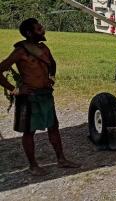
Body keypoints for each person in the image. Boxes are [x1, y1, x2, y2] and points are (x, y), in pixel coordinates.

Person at [0, 18, 80, 176]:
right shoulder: (21, 51)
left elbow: (53, 63)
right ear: (29, 33)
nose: (43, 30)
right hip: (30, 97)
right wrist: (15, 90)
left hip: (45, 95)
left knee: (53, 127)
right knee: (29, 132)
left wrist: (52, 77)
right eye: (39, 28)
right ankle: (33, 166)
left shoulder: (43, 48)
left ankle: (61, 159)